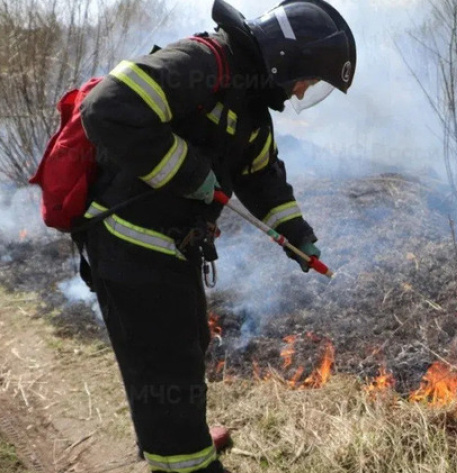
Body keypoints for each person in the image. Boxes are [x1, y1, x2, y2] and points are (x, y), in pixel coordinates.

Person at [78, 0, 355, 471]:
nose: (304, 89)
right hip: (129, 242)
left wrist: (297, 234)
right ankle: (186, 461)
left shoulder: (250, 104)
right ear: (284, 57)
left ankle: (173, 434)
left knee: (182, 349)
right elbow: (105, 107)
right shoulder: (202, 64)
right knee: (167, 362)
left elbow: (262, 176)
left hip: (171, 247)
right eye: (308, 77)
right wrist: (188, 172)